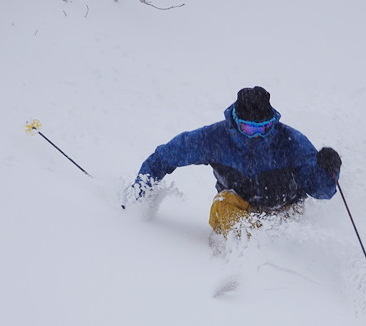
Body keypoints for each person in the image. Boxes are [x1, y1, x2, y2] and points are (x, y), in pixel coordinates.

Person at [131, 86, 342, 236]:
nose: (257, 135)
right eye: (250, 129)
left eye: (265, 128)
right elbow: (164, 157)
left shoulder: (291, 142)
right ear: (235, 122)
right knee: (221, 205)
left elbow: (321, 191)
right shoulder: (213, 139)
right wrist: (137, 196)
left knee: (282, 230)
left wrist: (329, 169)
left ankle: (274, 253)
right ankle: (245, 254)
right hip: (239, 209)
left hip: (285, 210)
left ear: (273, 122)